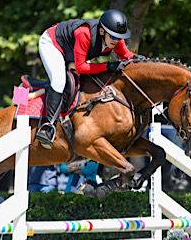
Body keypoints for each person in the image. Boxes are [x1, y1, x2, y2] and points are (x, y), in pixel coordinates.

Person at [35, 9, 134, 150]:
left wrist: (141, 61)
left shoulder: (114, 37)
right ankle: (48, 126)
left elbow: (126, 55)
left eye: (119, 37)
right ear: (102, 31)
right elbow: (81, 67)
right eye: (113, 37)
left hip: (69, 51)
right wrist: (107, 66)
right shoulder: (85, 34)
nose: (117, 40)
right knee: (59, 80)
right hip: (52, 44)